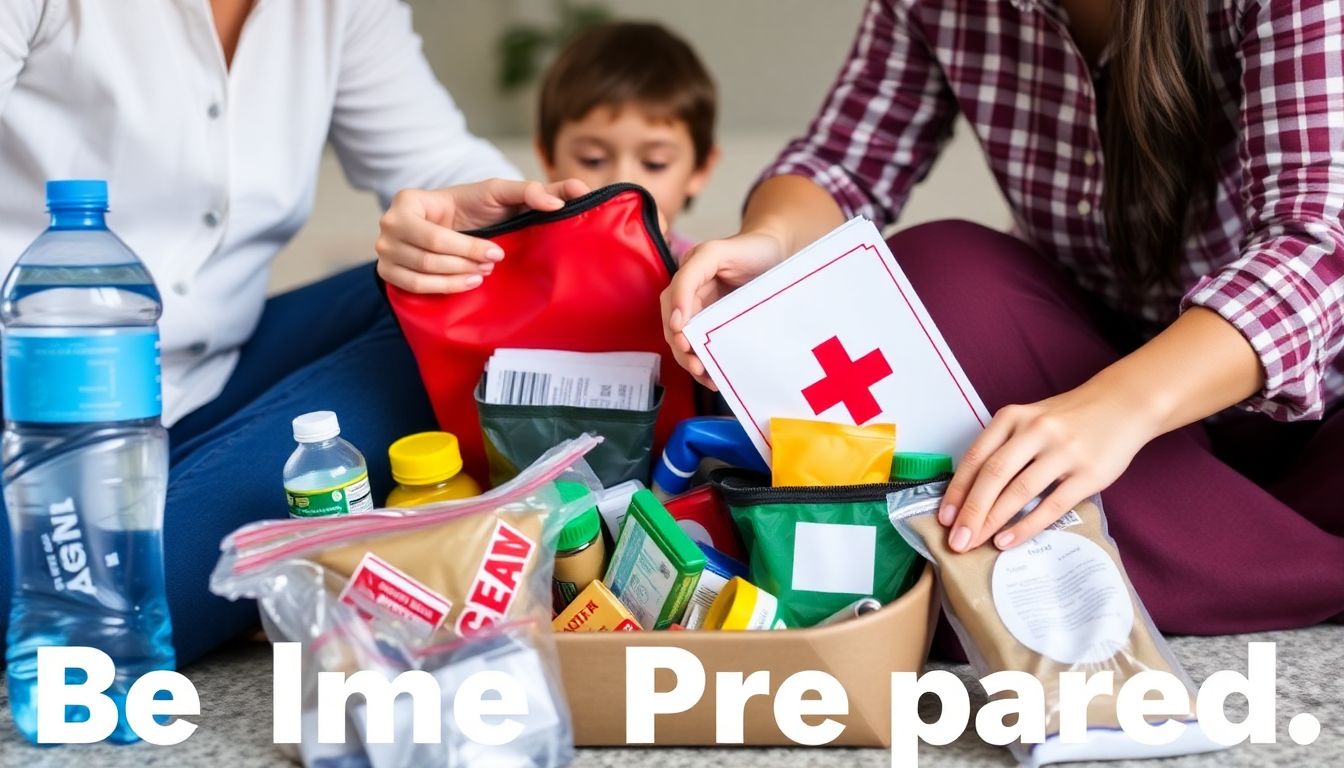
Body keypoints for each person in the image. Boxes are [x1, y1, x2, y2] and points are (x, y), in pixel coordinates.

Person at [662, 0, 1344, 634]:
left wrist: (1115, 409)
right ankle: (1224, 562)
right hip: (1085, 377)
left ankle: (1273, 570)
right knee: (938, 268)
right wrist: (773, 244)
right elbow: (842, 161)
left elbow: (1319, 243)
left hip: (1306, 415)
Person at [0, 0, 586, 665]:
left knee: (458, 294)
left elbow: (437, 161)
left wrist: (455, 222)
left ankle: (171, 537)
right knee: (92, 615)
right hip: (38, 407)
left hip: (215, 370)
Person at [533, 21, 719, 262]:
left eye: (655, 163)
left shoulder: (709, 281)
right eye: (593, 160)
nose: (623, 184)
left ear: (700, 170)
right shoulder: (524, 268)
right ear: (548, 158)